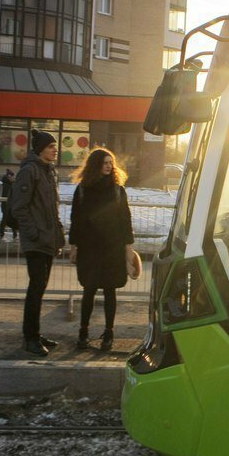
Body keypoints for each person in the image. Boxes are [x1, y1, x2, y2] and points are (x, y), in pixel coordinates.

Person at [68, 148, 135, 351]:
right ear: (95, 165)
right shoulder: (82, 190)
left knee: (110, 290)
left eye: (110, 163)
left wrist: (129, 249)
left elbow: (126, 221)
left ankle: (108, 332)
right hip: (89, 248)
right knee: (88, 290)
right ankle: (83, 331)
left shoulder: (117, 190)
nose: (109, 166)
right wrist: (73, 246)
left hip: (112, 248)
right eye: (105, 163)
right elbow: (76, 220)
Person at [11, 131, 64, 355]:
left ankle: (35, 333)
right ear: (41, 148)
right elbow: (19, 207)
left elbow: (51, 208)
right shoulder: (29, 171)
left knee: (40, 288)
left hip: (47, 239)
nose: (55, 150)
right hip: (36, 240)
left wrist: (58, 234)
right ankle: (30, 338)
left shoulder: (48, 172)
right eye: (51, 146)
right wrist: (32, 232)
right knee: (35, 288)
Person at [0, 168, 18, 240]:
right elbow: (9, 195)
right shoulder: (7, 185)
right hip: (7, 205)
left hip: (10, 205)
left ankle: (14, 234)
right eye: (12, 177)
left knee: (11, 219)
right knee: (5, 220)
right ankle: (2, 234)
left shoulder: (9, 184)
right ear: (9, 177)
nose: (13, 178)